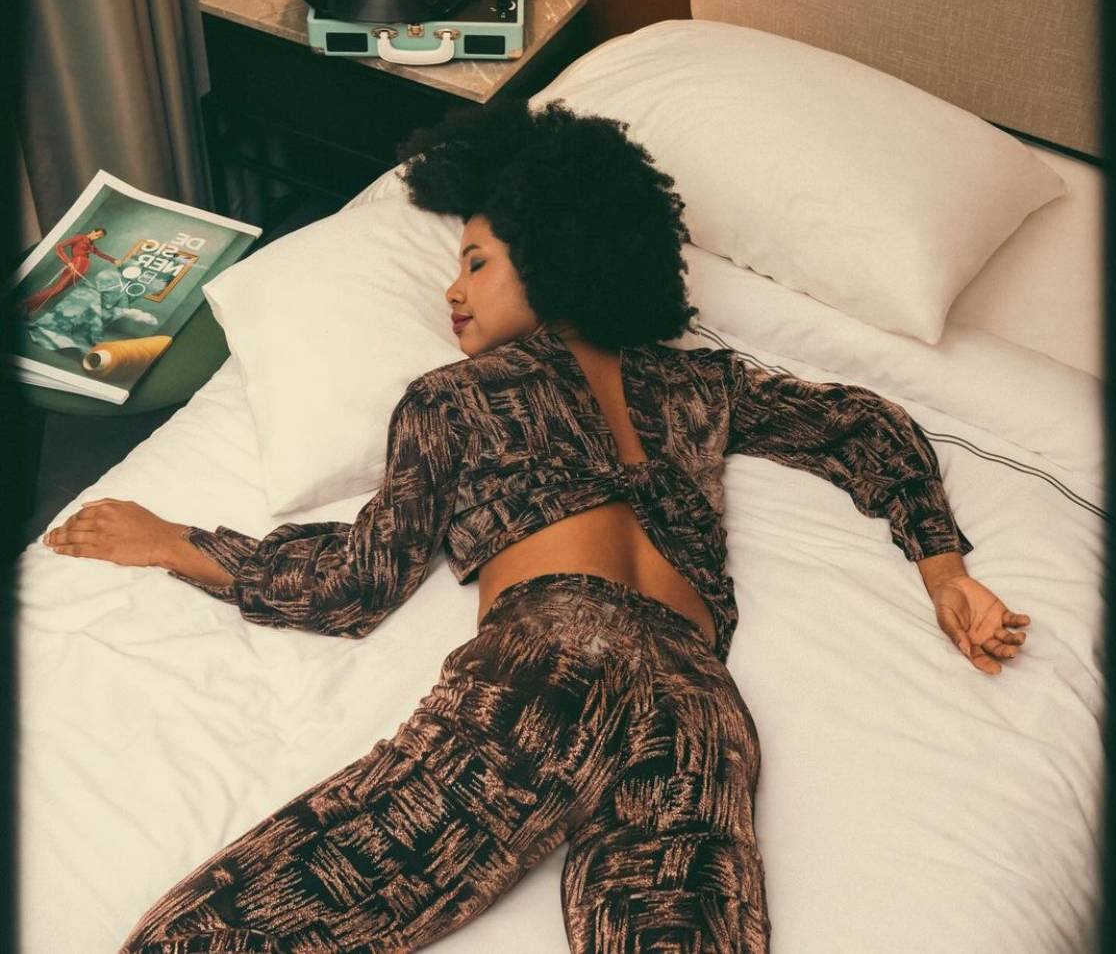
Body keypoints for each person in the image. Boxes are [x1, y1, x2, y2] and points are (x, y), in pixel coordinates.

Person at [42, 99, 1030, 954]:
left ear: (555, 255)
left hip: (551, 666)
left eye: (475, 261)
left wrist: (182, 543)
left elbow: (361, 577)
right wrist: (943, 570)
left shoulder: (455, 396)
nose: (452, 290)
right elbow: (863, 425)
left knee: (225, 928)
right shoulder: (699, 384)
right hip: (696, 702)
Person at [18, 226, 117, 317]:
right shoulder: (79, 238)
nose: (96, 238)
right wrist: (68, 262)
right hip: (75, 265)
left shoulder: (92, 246)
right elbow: (58, 246)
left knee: (57, 291)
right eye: (97, 235)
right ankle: (24, 303)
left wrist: (114, 260)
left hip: (82, 270)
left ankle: (29, 309)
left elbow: (101, 254)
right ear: (93, 231)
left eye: (99, 238)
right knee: (56, 289)